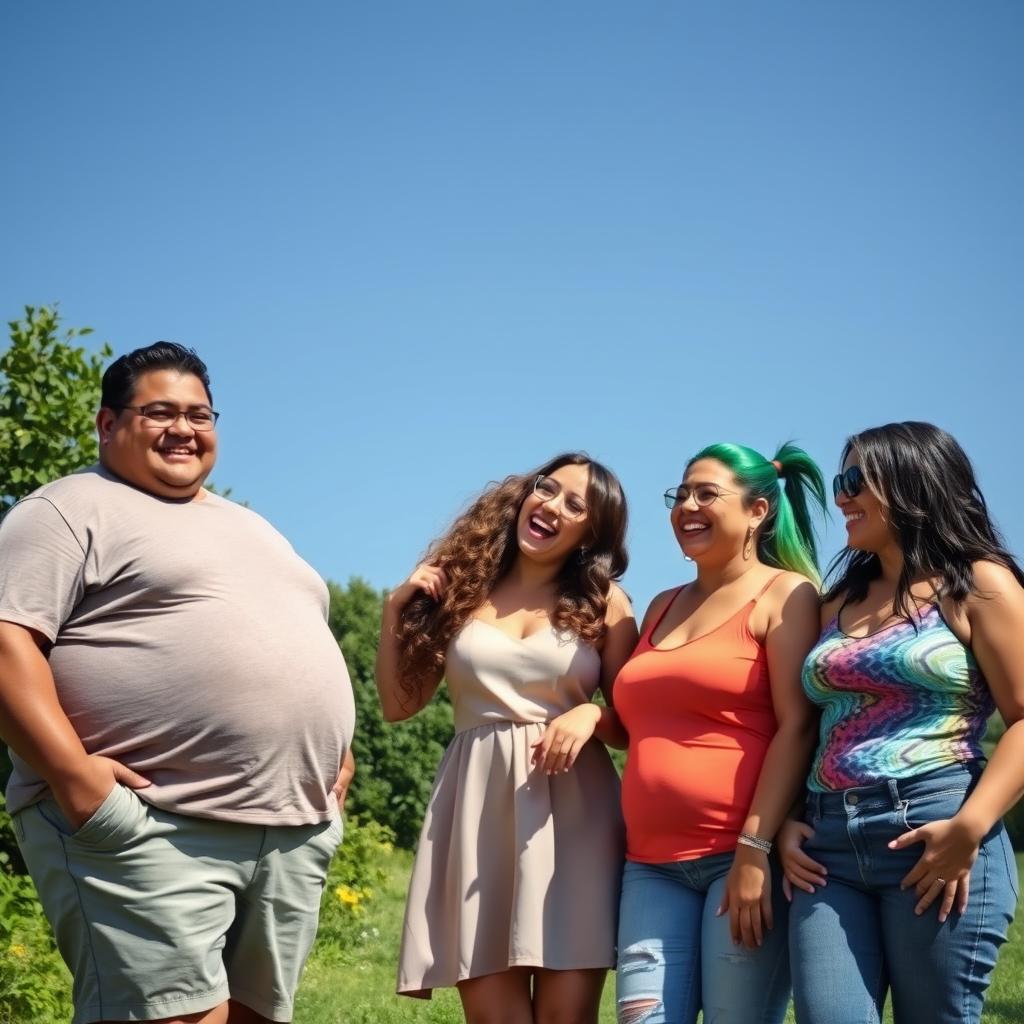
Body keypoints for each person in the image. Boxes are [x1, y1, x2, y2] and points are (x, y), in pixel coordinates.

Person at [0, 342, 356, 1024]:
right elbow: (7, 640)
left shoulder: (254, 527)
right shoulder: (66, 510)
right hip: (154, 823)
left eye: (200, 414)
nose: (184, 429)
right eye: (159, 411)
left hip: (291, 829)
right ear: (108, 425)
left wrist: (335, 755)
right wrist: (75, 779)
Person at [376, 452, 637, 1023]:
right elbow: (399, 707)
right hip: (479, 808)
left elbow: (634, 722)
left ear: (591, 533)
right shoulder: (464, 586)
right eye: (547, 488)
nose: (551, 505)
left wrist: (590, 716)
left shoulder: (606, 602)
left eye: (576, 505)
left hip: (577, 814)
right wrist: (395, 612)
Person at [779, 421, 1023, 1024]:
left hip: (935, 832)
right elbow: (802, 726)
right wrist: (784, 822)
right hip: (826, 844)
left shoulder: (978, 585)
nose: (842, 496)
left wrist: (969, 829)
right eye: (840, 480)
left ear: (915, 482)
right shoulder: (834, 602)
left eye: (858, 480)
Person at [613, 442, 826, 1024]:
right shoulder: (660, 606)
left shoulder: (785, 594)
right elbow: (639, 721)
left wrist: (755, 851)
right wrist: (587, 713)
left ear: (758, 511)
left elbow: (798, 725)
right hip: (649, 865)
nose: (687, 505)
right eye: (680, 494)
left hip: (739, 859)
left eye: (707, 493)